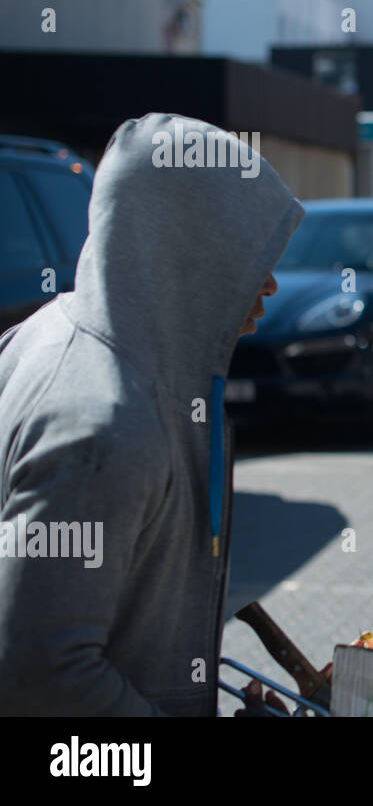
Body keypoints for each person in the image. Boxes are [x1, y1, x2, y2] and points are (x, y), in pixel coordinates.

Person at [0, 113, 304, 715]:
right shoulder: (102, 425)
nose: (268, 284)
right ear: (185, 249)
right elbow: (38, 674)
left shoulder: (52, 334)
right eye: (243, 256)